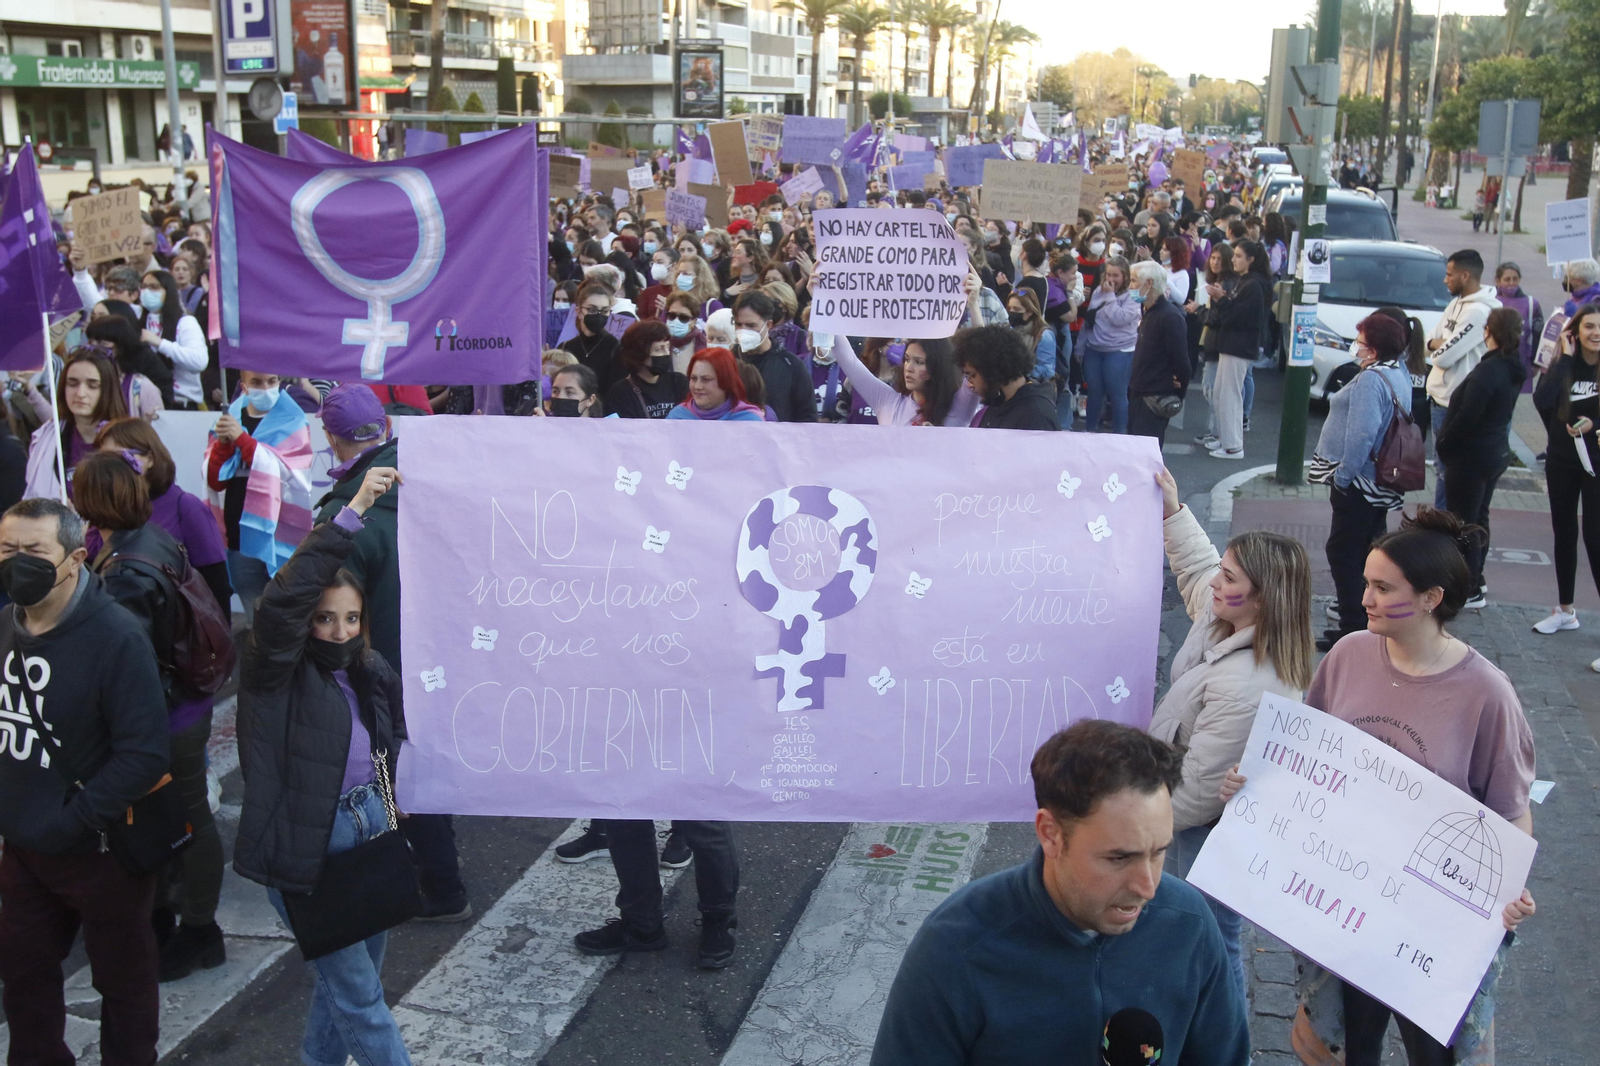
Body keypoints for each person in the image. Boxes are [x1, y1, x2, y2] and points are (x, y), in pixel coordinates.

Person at [1223, 508, 1537, 1066]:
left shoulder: (1487, 693)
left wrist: (1507, 891)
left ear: (1431, 598)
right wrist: (1252, 789)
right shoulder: (1347, 655)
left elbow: (1510, 812)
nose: (1364, 597)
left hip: (1429, 925)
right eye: (1366, 583)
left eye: (1382, 587)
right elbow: (1302, 758)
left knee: (1433, 1053)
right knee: (1347, 1044)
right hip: (1347, 908)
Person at [871, 720, 1251, 1065]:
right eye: (1119, 858)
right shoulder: (957, 946)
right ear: (1051, 834)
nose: (1148, 887)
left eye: (1158, 852)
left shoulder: (1188, 923)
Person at [234, 468, 416, 1066]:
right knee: (361, 999)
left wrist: (392, 818)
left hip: (372, 827)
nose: (340, 631)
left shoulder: (369, 670)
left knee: (346, 989)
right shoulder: (275, 672)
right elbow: (286, 598)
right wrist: (353, 510)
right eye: (324, 618)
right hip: (311, 844)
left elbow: (386, 754)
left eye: (352, 618)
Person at [0, 498, 170, 1066]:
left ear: (74, 558)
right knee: (24, 978)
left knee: (122, 983)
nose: (16, 563)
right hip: (22, 851)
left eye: (33, 552)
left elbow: (143, 754)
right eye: (6, 550)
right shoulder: (4, 626)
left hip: (100, 853)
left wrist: (70, 822)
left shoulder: (116, 638)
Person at [1151, 467, 1313, 1001]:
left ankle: (1225, 1042)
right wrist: (1173, 510)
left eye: (1231, 579)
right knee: (1189, 932)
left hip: (1204, 826)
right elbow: (1198, 568)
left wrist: (1138, 830)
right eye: (1223, 573)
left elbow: (1198, 789)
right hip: (1189, 814)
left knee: (1212, 942)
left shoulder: (1249, 684)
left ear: (1263, 598)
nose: (1216, 584)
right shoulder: (1224, 617)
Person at [1309, 313, 1413, 650]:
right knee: (1367, 550)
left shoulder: (1371, 380)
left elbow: (1362, 434)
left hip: (1360, 482)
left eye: (1362, 341)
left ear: (1374, 347)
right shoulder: (1398, 371)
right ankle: (1366, 621)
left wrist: (1342, 477)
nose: (1357, 347)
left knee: (1344, 552)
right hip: (1379, 481)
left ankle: (1353, 625)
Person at [204, 370, 314, 626]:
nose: (265, 388)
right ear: (243, 386)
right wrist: (223, 445)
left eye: (272, 381)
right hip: (242, 539)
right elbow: (215, 480)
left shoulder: (293, 420)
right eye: (256, 382)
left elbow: (289, 476)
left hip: (282, 540)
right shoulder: (229, 419)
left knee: (287, 623)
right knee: (257, 623)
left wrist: (242, 440)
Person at [1436, 307, 1526, 608]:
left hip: (1472, 456)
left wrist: (1445, 443)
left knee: (1463, 521)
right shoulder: (1511, 367)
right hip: (1494, 451)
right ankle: (1477, 579)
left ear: (1488, 332)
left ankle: (1468, 585)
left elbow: (1468, 414)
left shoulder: (1489, 371)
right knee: (1478, 517)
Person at [1530, 303, 1600, 652]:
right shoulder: (1564, 365)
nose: (1595, 333)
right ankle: (1566, 610)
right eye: (1588, 327)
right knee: (1564, 533)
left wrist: (1594, 425)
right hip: (1561, 461)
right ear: (1576, 331)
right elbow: (1541, 399)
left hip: (1596, 464)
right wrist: (1567, 358)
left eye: (1599, 327)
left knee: (1595, 536)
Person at [1426, 249, 1500, 507]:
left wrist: (1439, 345)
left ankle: (1443, 534)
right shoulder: (1455, 303)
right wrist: (1439, 343)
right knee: (1441, 471)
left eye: (1449, 274)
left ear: (1465, 276)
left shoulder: (1478, 312)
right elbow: (1428, 342)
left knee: (1448, 473)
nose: (1445, 280)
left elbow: (1441, 357)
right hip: (1439, 398)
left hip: (1453, 403)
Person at [24, 348, 129, 500]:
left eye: (92, 386)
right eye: (72, 384)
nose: (80, 393)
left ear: (108, 389)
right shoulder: (48, 435)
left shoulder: (128, 439)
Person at [1206, 239, 1271, 459]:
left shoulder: (1253, 285)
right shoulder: (1245, 282)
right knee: (1221, 393)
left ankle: (1233, 445)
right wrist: (1221, 299)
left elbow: (1241, 317)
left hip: (1240, 346)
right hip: (1231, 344)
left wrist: (1221, 299)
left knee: (1230, 395)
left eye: (1239, 256)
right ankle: (1226, 440)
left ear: (1251, 259)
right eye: (1234, 255)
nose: (1233, 259)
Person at [826, 332, 977, 427]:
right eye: (906, 359)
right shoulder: (887, 402)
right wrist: (824, 300)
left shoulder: (958, 407)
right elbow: (848, 360)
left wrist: (973, 304)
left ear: (937, 367)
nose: (908, 368)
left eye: (919, 362)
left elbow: (981, 362)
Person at [1126, 261, 1191, 444]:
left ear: (1148, 283)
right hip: (1138, 392)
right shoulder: (1147, 310)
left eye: (1134, 281)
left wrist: (1178, 393)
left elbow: (1182, 362)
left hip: (1154, 397)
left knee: (1147, 454)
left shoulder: (1169, 317)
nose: (1130, 286)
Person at [953, 325, 1061, 430]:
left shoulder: (1036, 415)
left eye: (972, 375)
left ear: (990, 369)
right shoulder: (997, 405)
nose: (970, 384)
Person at [731, 291, 817, 422]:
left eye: (751, 325)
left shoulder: (791, 365)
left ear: (769, 325)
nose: (744, 330)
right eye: (738, 324)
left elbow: (807, 416)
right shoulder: (727, 361)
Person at [1081, 256, 1140, 433]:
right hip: (1094, 349)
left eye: (1116, 275)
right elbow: (1090, 318)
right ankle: (1090, 431)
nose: (1111, 279)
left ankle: (1120, 435)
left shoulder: (1134, 295)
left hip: (1119, 351)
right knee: (1094, 394)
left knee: (1117, 396)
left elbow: (1119, 318)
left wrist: (1110, 296)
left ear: (1125, 276)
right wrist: (1080, 346)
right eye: (1108, 274)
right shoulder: (1100, 290)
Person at [137, 269, 208, 410]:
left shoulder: (185, 322)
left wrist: (160, 343)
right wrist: (81, 273)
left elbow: (199, 361)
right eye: (144, 287)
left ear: (168, 291)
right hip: (146, 405)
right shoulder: (138, 319)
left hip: (181, 405)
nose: (147, 291)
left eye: (154, 287)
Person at [84, 303, 173, 413]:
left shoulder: (141, 384)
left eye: (102, 343)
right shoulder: (85, 372)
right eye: (91, 343)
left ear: (120, 344)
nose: (94, 348)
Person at [1192, 241, 1236, 451]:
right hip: (1212, 343)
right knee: (1213, 390)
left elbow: (1216, 318)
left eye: (1220, 259)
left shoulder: (1226, 284)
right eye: (1213, 258)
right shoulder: (1216, 281)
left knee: (1213, 390)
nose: (1216, 262)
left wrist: (1199, 309)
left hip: (1219, 345)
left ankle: (1217, 432)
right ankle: (1216, 432)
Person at [607, 320, 688, 419]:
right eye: (659, 349)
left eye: (667, 347)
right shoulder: (621, 392)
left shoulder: (678, 382)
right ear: (640, 354)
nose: (667, 353)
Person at [667, 347, 766, 421]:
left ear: (726, 381)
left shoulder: (749, 420)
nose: (697, 386)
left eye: (706, 379)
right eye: (693, 378)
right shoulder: (677, 417)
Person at [561, 280, 624, 395]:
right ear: (579, 312)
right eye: (592, 310)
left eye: (604, 311)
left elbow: (615, 393)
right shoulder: (566, 347)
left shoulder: (616, 348)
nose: (599, 315)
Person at [1493, 261, 1544, 390]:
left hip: (1520, 361)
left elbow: (1538, 334)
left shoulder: (1531, 304)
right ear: (1498, 281)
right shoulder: (1489, 301)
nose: (1511, 283)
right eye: (1507, 279)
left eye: (1515, 279)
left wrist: (1536, 363)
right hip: (1493, 360)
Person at [1006, 288, 1056, 385]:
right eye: (1009, 308)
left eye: (1017, 309)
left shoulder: (1043, 335)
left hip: (1032, 391)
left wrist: (1020, 371)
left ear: (1030, 311)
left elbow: (1048, 370)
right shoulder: (1007, 330)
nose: (1012, 312)